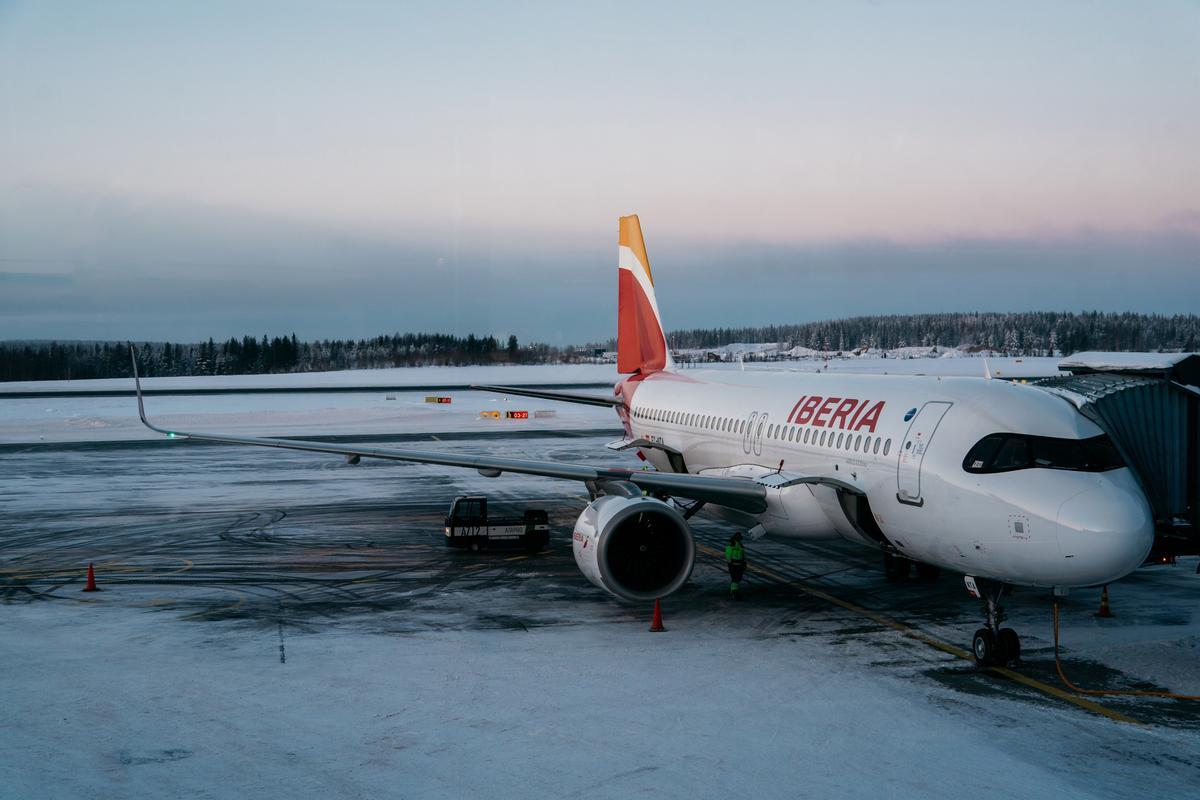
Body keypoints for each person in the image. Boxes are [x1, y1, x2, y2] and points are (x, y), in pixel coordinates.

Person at [725, 531, 746, 600]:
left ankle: (734, 591)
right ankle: (734, 591)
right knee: (735, 578)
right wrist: (730, 563)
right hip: (734, 564)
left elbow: (743, 555)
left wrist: (744, 563)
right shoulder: (731, 545)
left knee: (738, 578)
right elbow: (728, 554)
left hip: (739, 564)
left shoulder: (740, 545)